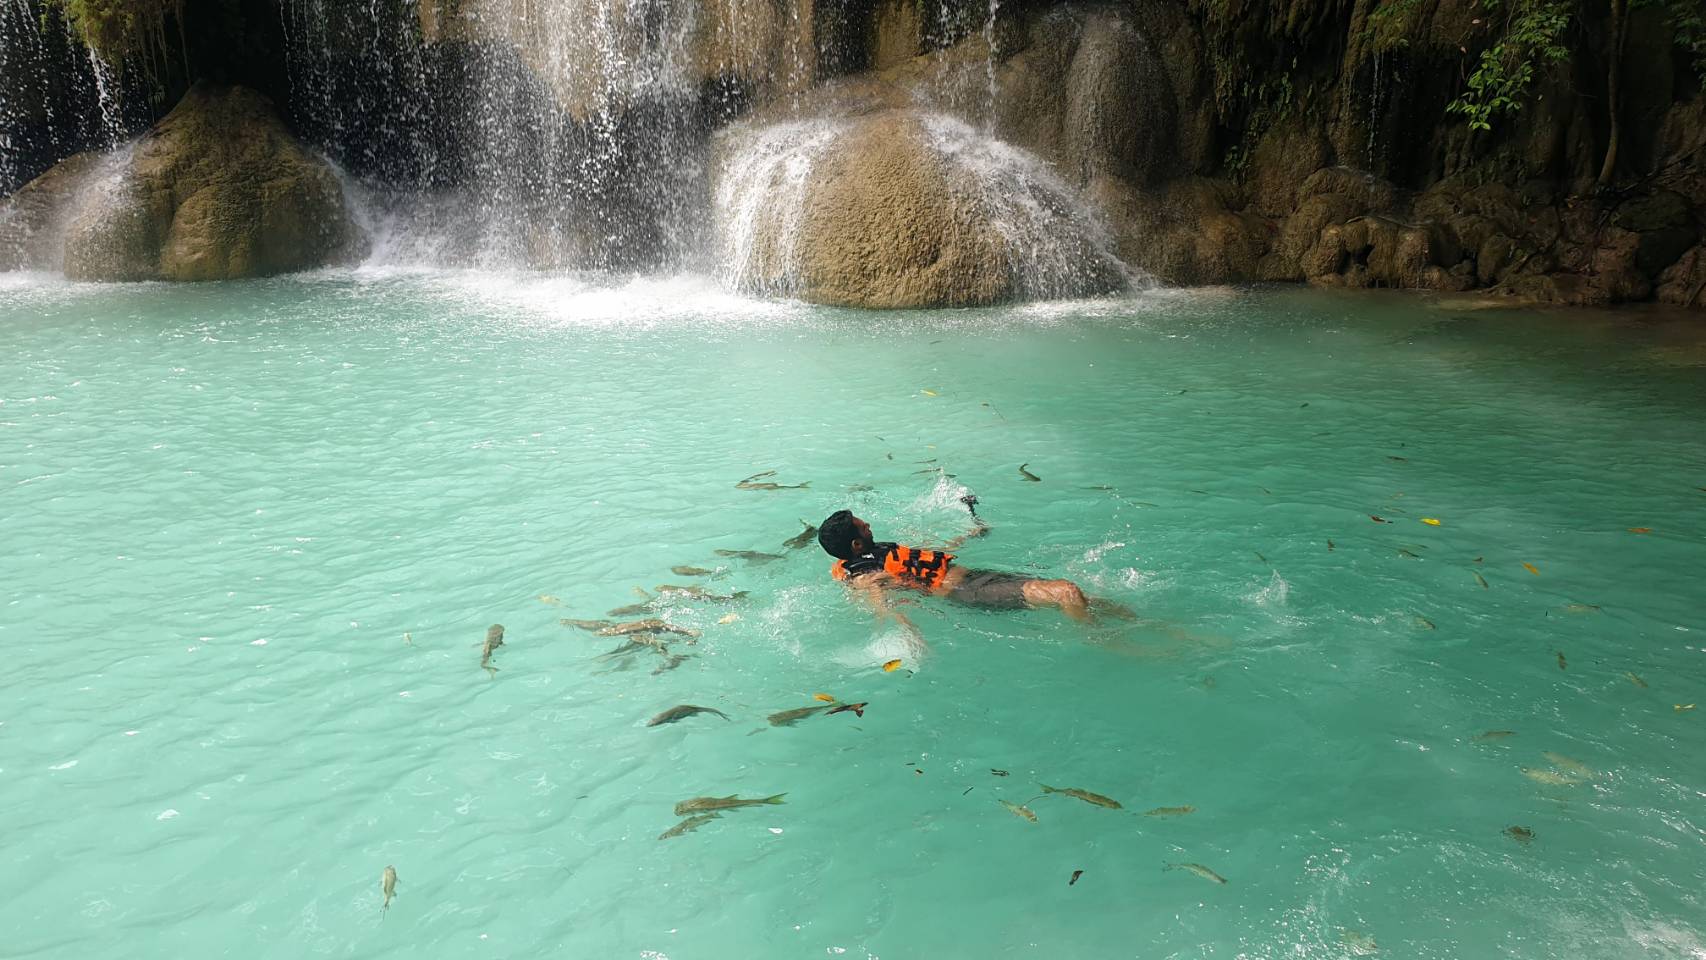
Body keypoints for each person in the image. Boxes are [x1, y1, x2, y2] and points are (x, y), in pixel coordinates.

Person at [816, 504, 1091, 627]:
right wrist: (904, 629)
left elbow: (925, 557)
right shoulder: (865, 573)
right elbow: (878, 597)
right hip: (970, 592)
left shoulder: (878, 551)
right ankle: (1099, 641)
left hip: (977, 578)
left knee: (1086, 599)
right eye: (863, 527)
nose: (869, 525)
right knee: (1066, 591)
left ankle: (1117, 623)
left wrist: (969, 534)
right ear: (856, 545)